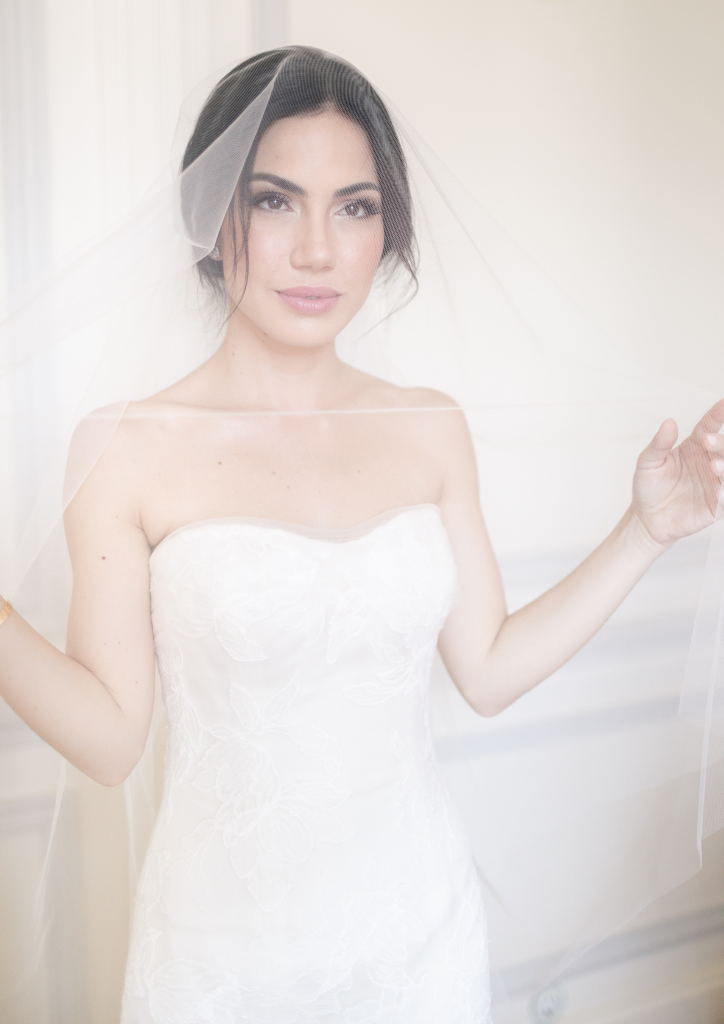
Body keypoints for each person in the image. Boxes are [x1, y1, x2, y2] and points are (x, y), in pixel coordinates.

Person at [0, 47, 722, 1023]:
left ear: (388, 230)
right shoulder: (127, 447)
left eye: (354, 206)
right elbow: (110, 740)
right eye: (273, 200)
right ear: (211, 213)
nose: (316, 251)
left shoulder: (427, 425)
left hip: (421, 940)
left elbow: (489, 666)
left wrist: (646, 529)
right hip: (221, 958)